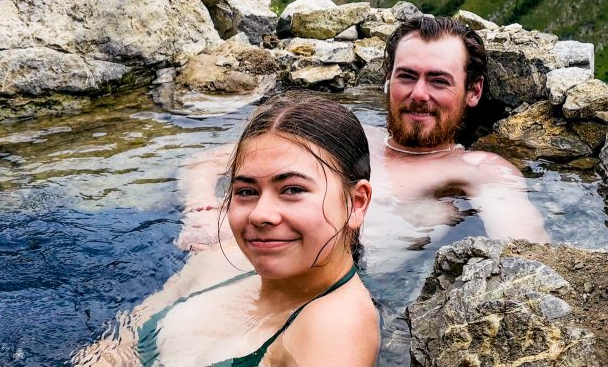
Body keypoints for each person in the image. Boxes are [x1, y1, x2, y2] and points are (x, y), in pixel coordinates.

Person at [73, 93, 379, 367]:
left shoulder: (337, 327)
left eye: (292, 189)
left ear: (356, 203)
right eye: (246, 191)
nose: (261, 215)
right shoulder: (220, 258)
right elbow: (118, 343)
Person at [375, 15, 548, 243]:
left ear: (473, 91)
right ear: (389, 80)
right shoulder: (352, 139)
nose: (418, 94)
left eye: (438, 81)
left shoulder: (480, 170)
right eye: (407, 76)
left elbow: (527, 254)